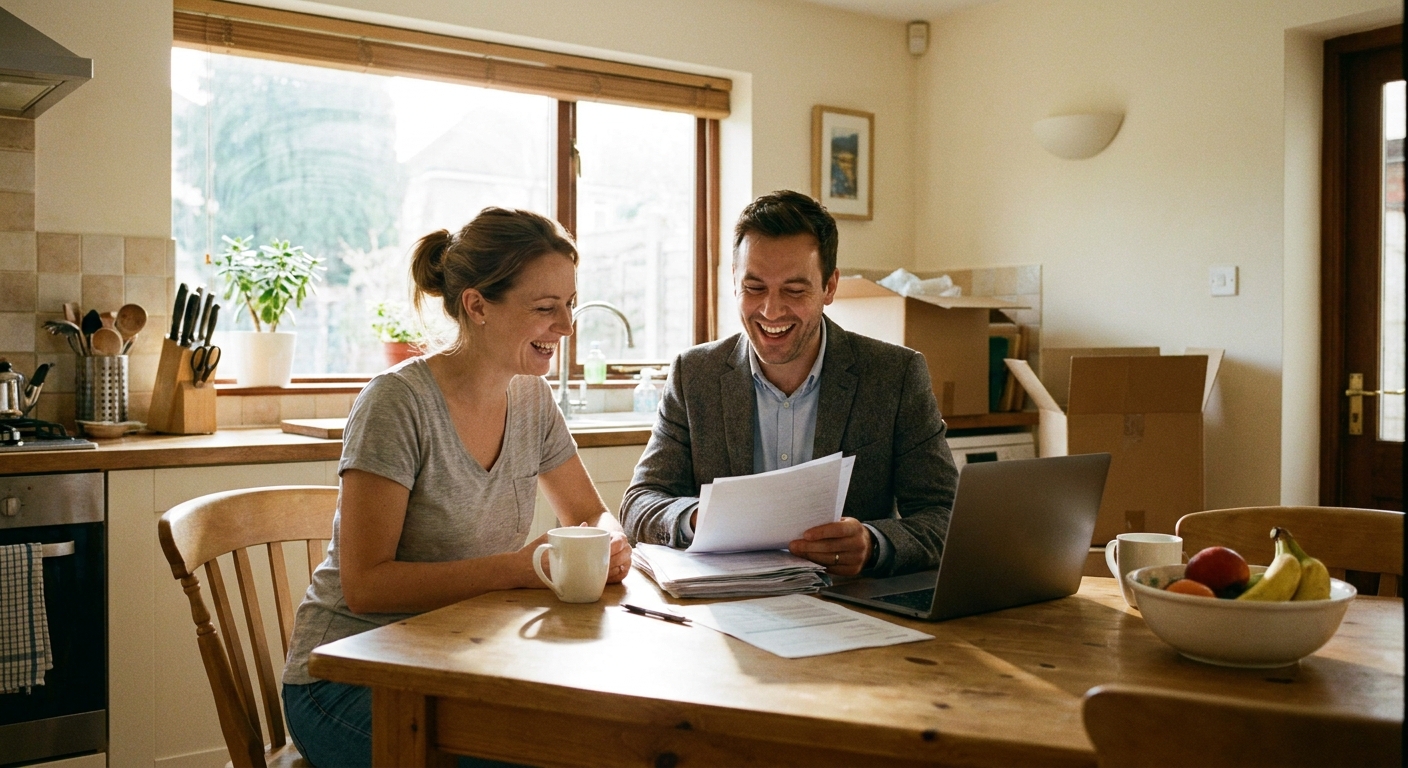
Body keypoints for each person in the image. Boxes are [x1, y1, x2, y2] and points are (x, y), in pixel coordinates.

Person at [281, 208, 633, 768]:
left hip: (461, 659)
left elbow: (591, 513)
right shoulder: (397, 403)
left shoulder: (532, 399)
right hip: (347, 677)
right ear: (477, 305)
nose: (566, 326)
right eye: (546, 308)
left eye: (568, 304)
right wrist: (518, 568)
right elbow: (366, 587)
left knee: (609, 736)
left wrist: (606, 544)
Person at [620, 191, 958, 577]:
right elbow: (639, 503)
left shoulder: (894, 376)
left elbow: (946, 516)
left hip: (849, 605)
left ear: (830, 287)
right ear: (734, 282)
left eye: (795, 291)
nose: (771, 310)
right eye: (754, 288)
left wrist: (873, 542)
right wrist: (699, 518)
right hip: (726, 608)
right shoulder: (694, 374)